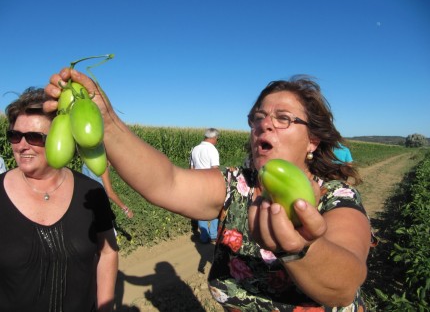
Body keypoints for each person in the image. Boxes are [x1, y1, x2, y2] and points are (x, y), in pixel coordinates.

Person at [45, 70, 374, 310]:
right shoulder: (236, 186)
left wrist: (300, 250)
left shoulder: (335, 197)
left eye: (283, 118)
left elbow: (343, 287)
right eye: (257, 117)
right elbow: (166, 182)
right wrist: (106, 119)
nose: (265, 124)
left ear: (313, 141)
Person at [1, 87, 118, 312]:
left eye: (34, 137)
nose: (22, 145)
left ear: (60, 136)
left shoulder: (91, 193)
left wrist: (105, 307)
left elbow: (108, 252)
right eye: (15, 136)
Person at [190, 128, 220, 244]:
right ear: (214, 138)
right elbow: (215, 169)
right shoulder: (212, 150)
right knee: (213, 208)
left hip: (197, 183)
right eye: (217, 139)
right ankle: (213, 234)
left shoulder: (195, 149)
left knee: (200, 210)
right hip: (209, 183)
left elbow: (191, 169)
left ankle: (203, 236)